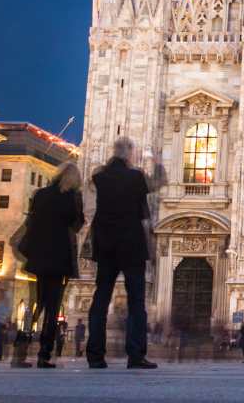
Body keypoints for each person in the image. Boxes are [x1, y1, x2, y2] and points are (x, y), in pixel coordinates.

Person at [86, 138, 158, 369]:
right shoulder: (135, 177)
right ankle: (135, 355)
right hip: (131, 245)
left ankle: (95, 355)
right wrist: (155, 163)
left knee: (100, 298)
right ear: (129, 155)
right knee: (136, 301)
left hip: (105, 244)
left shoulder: (100, 177)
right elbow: (155, 184)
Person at [18, 161, 85, 369]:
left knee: (38, 303)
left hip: (39, 256)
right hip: (59, 257)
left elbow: (32, 220)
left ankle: (21, 347)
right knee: (53, 306)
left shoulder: (40, 194)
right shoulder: (73, 198)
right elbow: (78, 223)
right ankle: (44, 353)